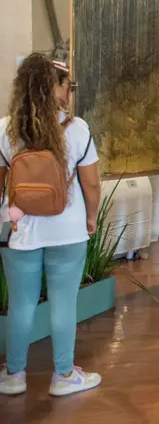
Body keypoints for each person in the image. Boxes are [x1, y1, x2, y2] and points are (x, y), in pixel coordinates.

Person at [0, 55, 102, 396]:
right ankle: (64, 375)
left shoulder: (5, 129)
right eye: (67, 86)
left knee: (21, 305)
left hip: (19, 230)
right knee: (63, 303)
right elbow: (91, 184)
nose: (70, 92)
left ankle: (14, 375)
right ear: (53, 88)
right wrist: (91, 218)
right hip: (68, 229)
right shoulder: (78, 129)